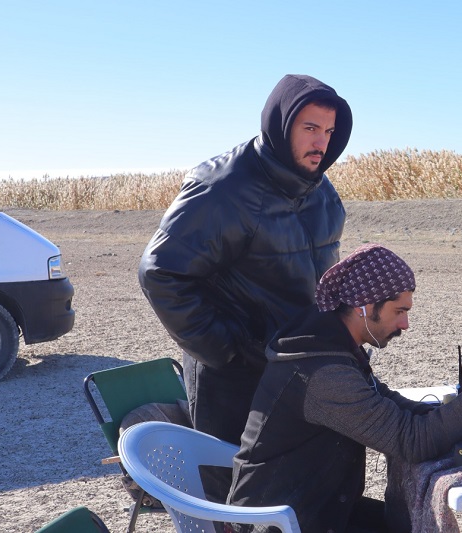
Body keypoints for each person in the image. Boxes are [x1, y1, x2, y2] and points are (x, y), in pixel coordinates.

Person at [226, 244, 462, 533]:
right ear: (364, 307)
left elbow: (393, 406)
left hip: (312, 506)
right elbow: (410, 441)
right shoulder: (324, 374)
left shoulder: (330, 348)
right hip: (281, 522)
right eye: (399, 312)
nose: (405, 325)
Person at [138, 74, 353, 448]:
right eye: (310, 128)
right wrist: (228, 351)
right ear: (280, 124)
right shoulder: (223, 187)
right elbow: (161, 272)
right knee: (232, 492)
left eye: (330, 131)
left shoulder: (320, 189)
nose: (322, 142)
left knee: (301, 479)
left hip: (297, 367)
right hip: (233, 382)